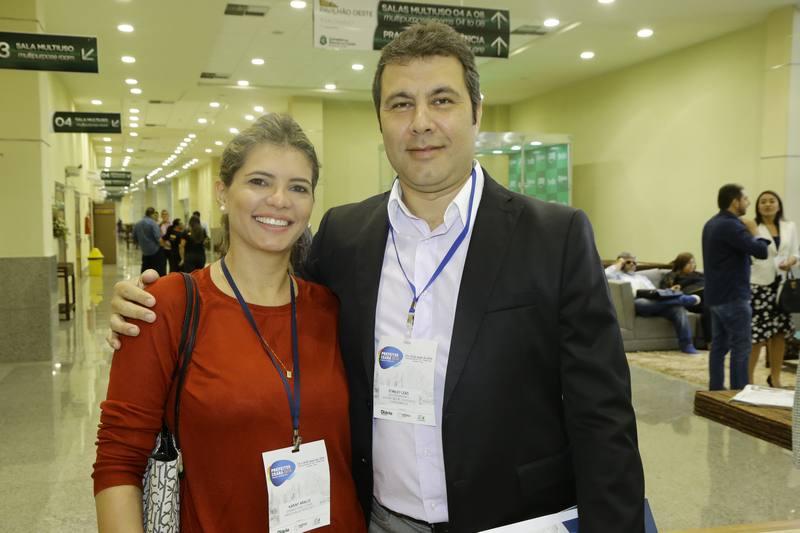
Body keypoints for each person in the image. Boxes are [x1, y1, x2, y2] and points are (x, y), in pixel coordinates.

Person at [107, 22, 644, 531]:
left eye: (442, 100)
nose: (421, 122)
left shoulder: (553, 236)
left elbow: (603, 418)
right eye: (400, 104)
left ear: (476, 111)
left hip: (515, 520)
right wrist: (146, 306)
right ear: (381, 119)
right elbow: (262, 303)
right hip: (381, 521)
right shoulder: (345, 236)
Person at [93, 114, 366, 531]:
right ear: (223, 192)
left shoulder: (330, 308)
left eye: (298, 187)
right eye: (259, 181)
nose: (279, 200)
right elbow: (118, 461)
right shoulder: (167, 306)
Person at [702, 184, 770, 390]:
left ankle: (715, 391)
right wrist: (755, 230)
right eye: (745, 199)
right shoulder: (731, 226)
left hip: (716, 296)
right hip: (733, 296)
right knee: (741, 347)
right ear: (735, 201)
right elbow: (760, 251)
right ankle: (739, 393)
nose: (748, 203)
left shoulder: (711, 223)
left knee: (719, 347)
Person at [747, 190, 798, 388]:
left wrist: (792, 260)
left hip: (782, 285)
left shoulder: (789, 226)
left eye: (772, 201)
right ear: (758, 206)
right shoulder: (753, 226)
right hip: (759, 284)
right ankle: (749, 379)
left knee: (780, 333)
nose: (768, 204)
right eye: (763, 202)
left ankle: (775, 377)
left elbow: (796, 252)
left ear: (778, 205)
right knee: (757, 335)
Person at [605, 252, 701, 354]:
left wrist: (668, 291)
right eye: (628, 262)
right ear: (622, 263)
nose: (632, 264)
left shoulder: (641, 277)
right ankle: (682, 300)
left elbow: (655, 292)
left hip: (655, 302)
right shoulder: (617, 276)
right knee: (644, 302)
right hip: (638, 303)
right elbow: (605, 274)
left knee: (678, 309)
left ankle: (687, 345)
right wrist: (619, 263)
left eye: (634, 262)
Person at [660, 252, 710, 347]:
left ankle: (711, 342)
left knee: (709, 307)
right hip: (689, 300)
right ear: (681, 264)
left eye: (693, 262)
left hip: (705, 298)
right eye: (689, 263)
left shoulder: (699, 275)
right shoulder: (672, 276)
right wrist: (673, 289)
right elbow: (664, 291)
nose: (692, 265)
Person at [132, 207, 166, 275]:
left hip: (145, 252)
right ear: (152, 214)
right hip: (156, 252)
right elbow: (158, 238)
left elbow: (135, 239)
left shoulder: (137, 224)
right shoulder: (153, 223)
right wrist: (165, 245)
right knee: (159, 273)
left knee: (145, 272)